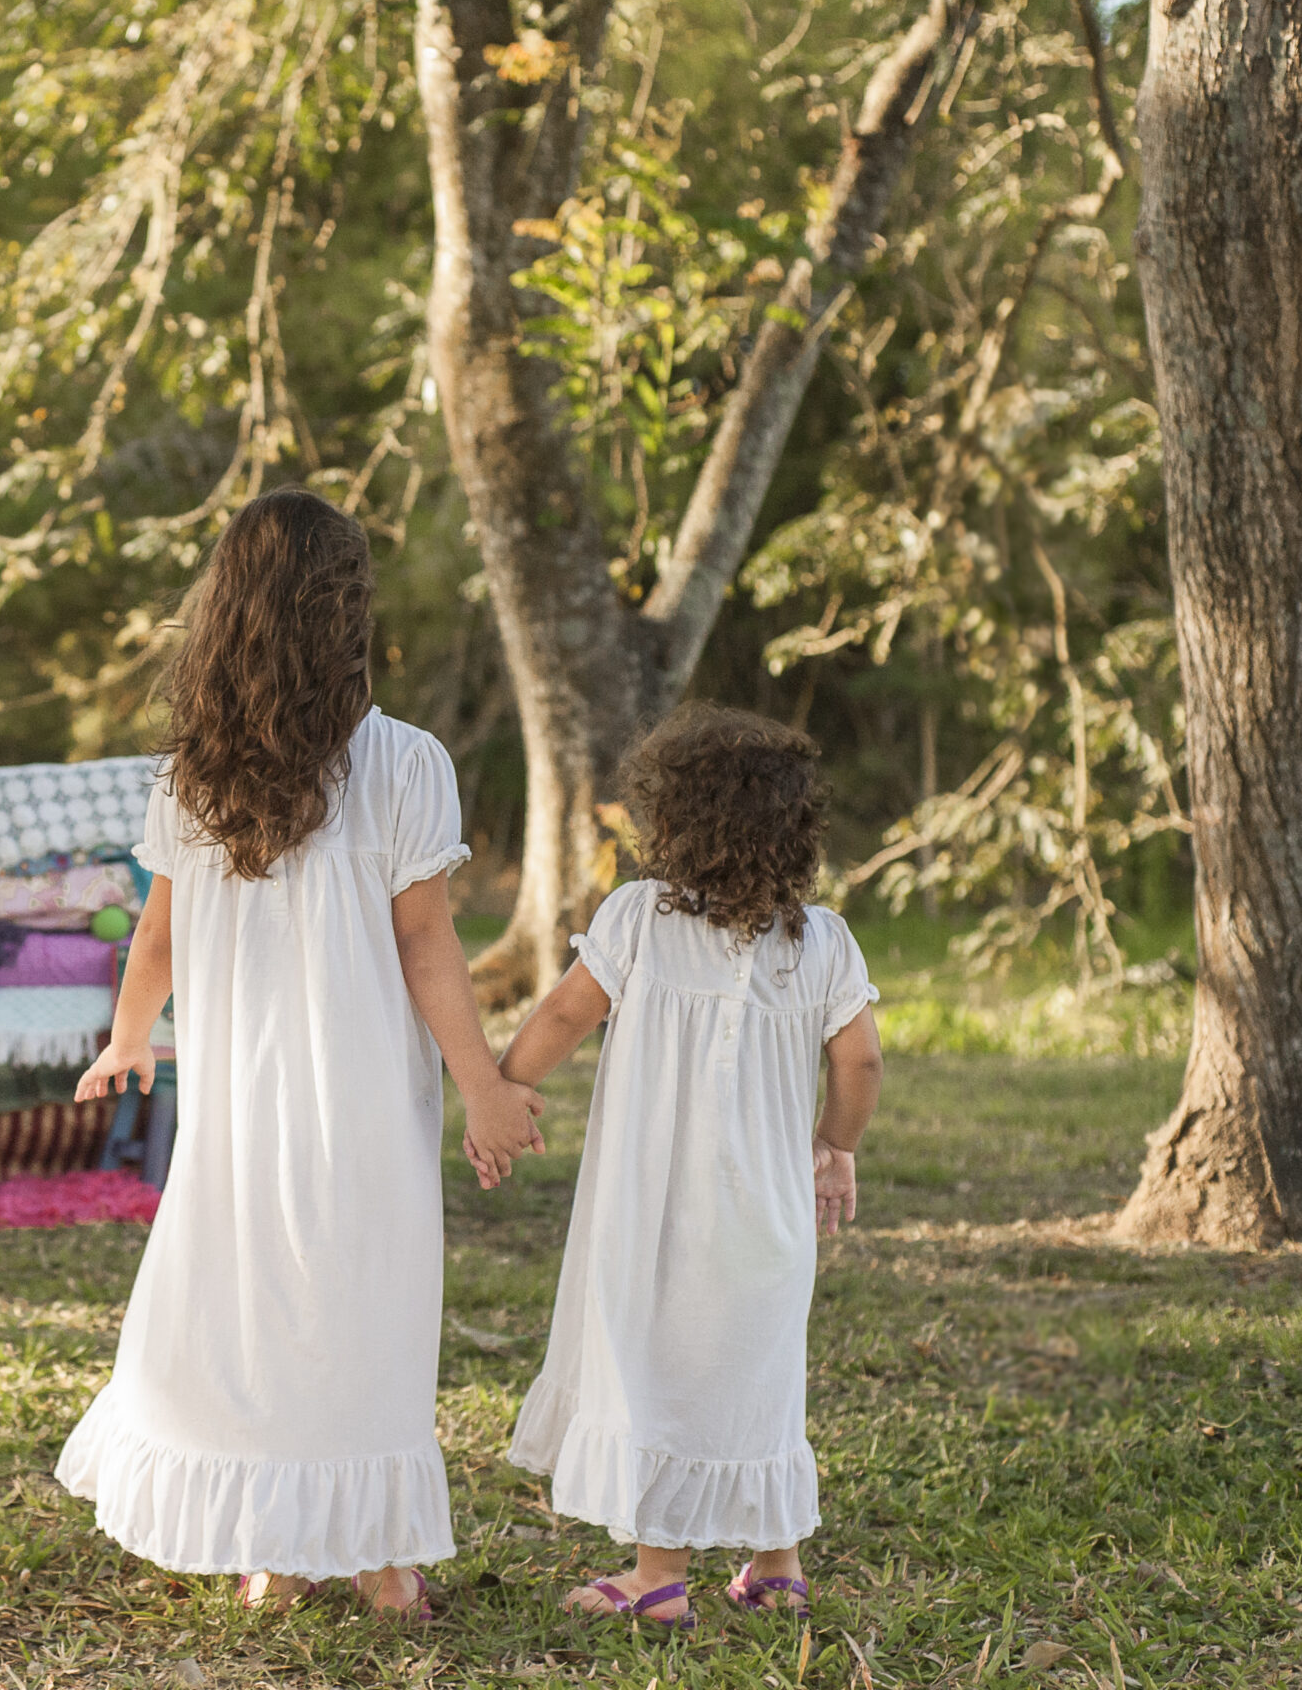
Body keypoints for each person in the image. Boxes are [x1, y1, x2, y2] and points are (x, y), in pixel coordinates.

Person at [57, 488, 547, 1621]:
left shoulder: (193, 776)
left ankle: (280, 1556)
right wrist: (483, 1087)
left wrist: (130, 1037)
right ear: (348, 616)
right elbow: (425, 946)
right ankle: (376, 1561)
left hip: (238, 1105)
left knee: (255, 1312)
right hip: (366, 1098)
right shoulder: (406, 763)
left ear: (224, 617)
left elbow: (159, 936)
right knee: (364, 1314)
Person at [497, 704, 883, 1630]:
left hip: (655, 1210)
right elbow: (861, 1062)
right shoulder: (822, 940)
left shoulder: (637, 919)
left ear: (669, 822)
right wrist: (836, 1148)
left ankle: (658, 1577)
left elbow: (561, 1017)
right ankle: (776, 1562)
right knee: (758, 1375)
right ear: (798, 832)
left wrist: (504, 1087)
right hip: (771, 1215)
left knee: (658, 1372)